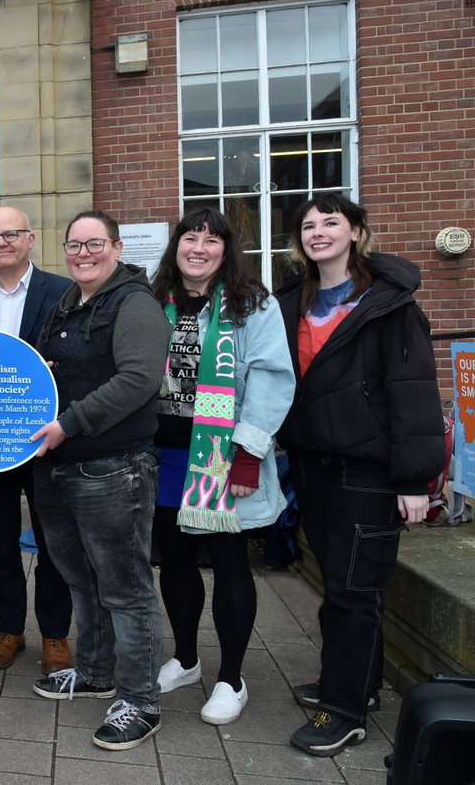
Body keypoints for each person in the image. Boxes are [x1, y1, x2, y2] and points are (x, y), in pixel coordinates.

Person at [275, 194, 444, 756]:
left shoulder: (389, 304)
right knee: (336, 582)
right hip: (313, 466)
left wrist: (415, 481)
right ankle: (356, 686)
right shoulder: (291, 301)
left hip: (370, 473)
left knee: (353, 591)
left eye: (331, 222)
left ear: (356, 232)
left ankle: (344, 712)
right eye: (308, 225)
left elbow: (415, 391)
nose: (318, 232)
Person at [28, 209, 171, 751]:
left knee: (126, 589)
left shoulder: (134, 303)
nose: (82, 253)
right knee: (80, 579)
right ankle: (93, 672)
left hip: (112, 468)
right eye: (74, 245)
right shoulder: (68, 303)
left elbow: (138, 379)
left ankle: (139, 700)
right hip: (57, 467)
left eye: (94, 244)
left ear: (115, 247)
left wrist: (70, 422)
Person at [147, 208, 295, 725]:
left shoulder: (252, 304)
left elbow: (273, 379)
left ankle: (232, 677)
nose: (200, 247)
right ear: (177, 246)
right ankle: (186, 659)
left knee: (230, 563)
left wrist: (250, 449)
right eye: (191, 236)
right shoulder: (152, 299)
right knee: (176, 561)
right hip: (164, 454)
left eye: (213, 240)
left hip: (219, 455)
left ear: (227, 251)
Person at [0, 206, 75, 675]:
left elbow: (74, 356)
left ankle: (55, 636)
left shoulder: (62, 291)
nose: (1, 243)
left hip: (45, 441)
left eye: (10, 234)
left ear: (30, 240)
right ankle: (10, 631)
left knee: (53, 543)